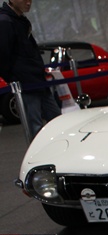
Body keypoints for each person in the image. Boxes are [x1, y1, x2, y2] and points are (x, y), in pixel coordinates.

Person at [0, 0, 61, 141]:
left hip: (38, 81)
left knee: (57, 120)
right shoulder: (5, 22)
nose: (29, 3)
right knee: (35, 128)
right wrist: (14, 79)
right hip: (26, 84)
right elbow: (3, 56)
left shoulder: (19, 19)